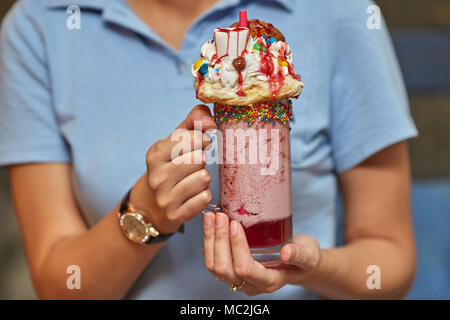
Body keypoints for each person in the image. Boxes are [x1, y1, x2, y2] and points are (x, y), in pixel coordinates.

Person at [0, 0, 418, 299]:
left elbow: (391, 267)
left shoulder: (339, 12)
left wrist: (308, 268)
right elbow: (59, 287)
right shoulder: (42, 22)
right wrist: (148, 211)